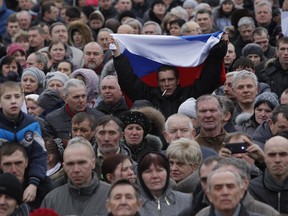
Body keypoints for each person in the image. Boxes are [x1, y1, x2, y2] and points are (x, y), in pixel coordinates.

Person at [111, 33, 228, 118]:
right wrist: (118, 56)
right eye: (162, 80)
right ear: (157, 82)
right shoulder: (148, 96)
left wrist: (220, 47)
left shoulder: (191, 95)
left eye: (170, 79)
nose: (166, 83)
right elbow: (128, 81)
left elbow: (209, 78)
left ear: (177, 81)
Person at [0, 82, 47, 206]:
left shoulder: (32, 124)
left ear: (22, 100)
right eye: (7, 97)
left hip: (29, 176)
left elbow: (39, 155)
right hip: (2, 177)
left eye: (17, 96)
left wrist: (33, 183)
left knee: (49, 188)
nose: (13, 101)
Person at [41, 137, 110, 215]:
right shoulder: (52, 200)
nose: (76, 169)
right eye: (70, 164)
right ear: (64, 166)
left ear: (93, 163)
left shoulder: (113, 195)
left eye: (82, 163)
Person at [0, 142, 54, 210]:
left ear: (26, 162)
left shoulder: (45, 189)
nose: (14, 170)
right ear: (0, 165)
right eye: (7, 164)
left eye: (18, 163)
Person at [249, 135, 288, 213]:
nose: (277, 160)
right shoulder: (251, 189)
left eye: (283, 154)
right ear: (265, 157)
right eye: (272, 155)